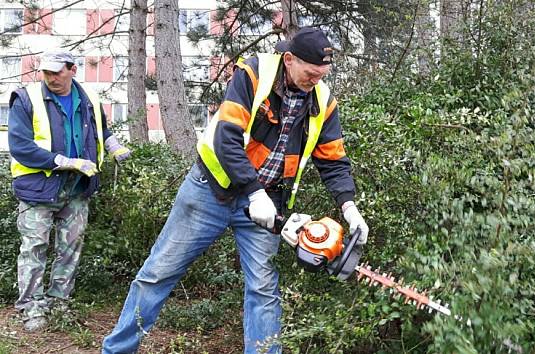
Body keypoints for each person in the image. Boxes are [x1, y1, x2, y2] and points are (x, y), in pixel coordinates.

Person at [102, 27, 369, 354]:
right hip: (209, 191)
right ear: (289, 60)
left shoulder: (323, 101)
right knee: (158, 273)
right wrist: (253, 192)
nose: (316, 80)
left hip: (267, 202)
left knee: (264, 290)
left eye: (322, 74)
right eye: (311, 73)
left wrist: (349, 207)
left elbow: (333, 159)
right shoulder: (253, 75)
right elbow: (226, 137)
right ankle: (116, 350)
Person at [8, 48, 131, 332]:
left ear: (72, 69)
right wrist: (64, 161)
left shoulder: (88, 97)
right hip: (38, 189)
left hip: (77, 189)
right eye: (46, 72)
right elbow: (20, 146)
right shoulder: (27, 99)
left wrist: (113, 146)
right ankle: (31, 307)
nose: (51, 78)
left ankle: (59, 301)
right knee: (34, 248)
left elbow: (101, 129)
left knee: (70, 247)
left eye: (57, 72)